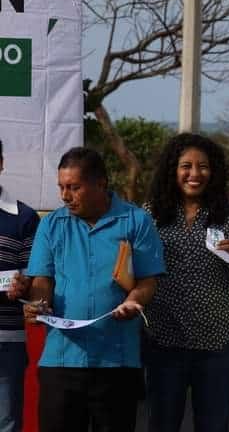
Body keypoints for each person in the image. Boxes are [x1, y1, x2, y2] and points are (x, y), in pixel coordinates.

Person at [23, 147, 165, 432]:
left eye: (74, 187)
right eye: (61, 187)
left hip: (117, 361)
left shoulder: (136, 221)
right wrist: (38, 304)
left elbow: (149, 281)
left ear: (101, 183)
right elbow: (42, 279)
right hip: (61, 360)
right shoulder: (51, 224)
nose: (65, 196)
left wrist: (134, 300)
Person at [143, 133, 229, 432]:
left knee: (213, 425)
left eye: (203, 166)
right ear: (173, 170)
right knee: (162, 423)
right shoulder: (152, 213)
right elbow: (137, 269)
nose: (195, 174)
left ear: (214, 170)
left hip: (217, 342)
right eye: (186, 166)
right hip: (163, 339)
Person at [0, 139, 40, 432]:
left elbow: (32, 278)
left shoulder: (25, 217)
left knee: (7, 422)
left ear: (0, 163)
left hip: (7, 339)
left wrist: (23, 285)